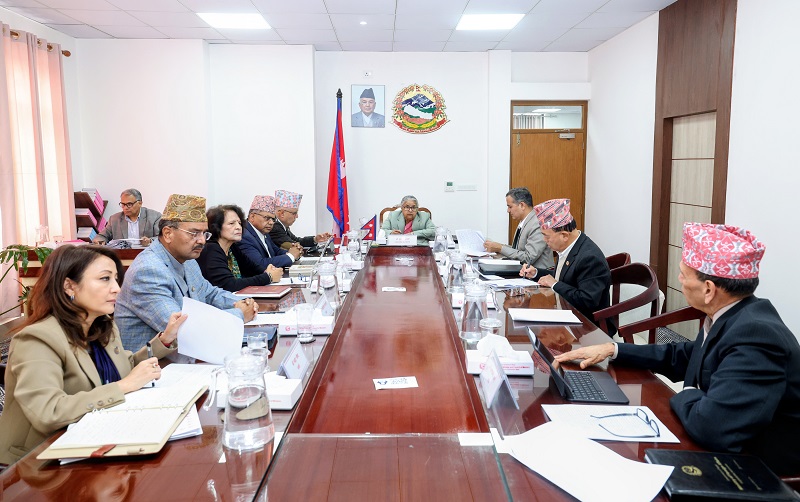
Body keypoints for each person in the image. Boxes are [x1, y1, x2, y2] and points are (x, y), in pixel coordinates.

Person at [556, 223, 800, 475]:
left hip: (756, 469)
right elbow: (684, 355)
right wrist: (613, 349)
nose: (679, 280)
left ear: (708, 289)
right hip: (723, 445)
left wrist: (687, 393)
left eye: (684, 274)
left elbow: (711, 426)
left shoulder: (757, 337)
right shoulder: (732, 314)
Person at [0, 245, 186, 466]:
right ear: (69, 286)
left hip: (93, 440)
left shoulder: (102, 326)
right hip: (37, 461)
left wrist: (164, 340)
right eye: (105, 279)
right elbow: (49, 412)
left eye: (116, 279)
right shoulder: (37, 339)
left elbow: (124, 368)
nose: (117, 289)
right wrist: (123, 386)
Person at [115, 194, 258, 352]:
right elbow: (183, 329)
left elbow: (209, 293)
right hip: (153, 363)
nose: (202, 240)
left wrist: (243, 302)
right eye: (194, 233)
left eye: (204, 233)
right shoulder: (148, 270)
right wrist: (239, 314)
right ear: (168, 233)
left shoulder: (188, 260)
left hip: (184, 355)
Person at [519, 198, 611, 328]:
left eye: (546, 236)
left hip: (587, 327)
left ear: (564, 235)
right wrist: (536, 273)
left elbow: (587, 301)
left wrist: (555, 284)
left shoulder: (590, 258)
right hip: (566, 314)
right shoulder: (569, 246)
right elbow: (565, 276)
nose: (544, 240)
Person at [197, 204, 283, 293]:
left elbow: (252, 268)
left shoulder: (232, 247)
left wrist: (269, 271)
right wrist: (268, 277)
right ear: (216, 227)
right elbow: (229, 285)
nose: (238, 227)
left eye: (239, 223)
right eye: (231, 223)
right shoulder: (211, 249)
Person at [483, 187, 554, 269]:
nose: (508, 210)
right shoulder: (525, 221)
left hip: (538, 274)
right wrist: (497, 247)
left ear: (522, 205)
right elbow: (517, 250)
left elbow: (528, 258)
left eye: (510, 207)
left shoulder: (537, 223)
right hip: (523, 271)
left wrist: (500, 248)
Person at [237, 195, 301, 271]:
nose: (271, 223)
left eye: (273, 219)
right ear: (252, 217)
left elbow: (276, 251)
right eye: (267, 218)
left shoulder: (264, 232)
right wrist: (291, 256)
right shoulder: (244, 236)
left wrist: (294, 251)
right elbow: (259, 264)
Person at [93, 188, 161, 246]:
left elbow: (162, 238)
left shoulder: (155, 217)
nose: (125, 208)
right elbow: (102, 236)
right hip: (123, 254)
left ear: (140, 203)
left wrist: (150, 241)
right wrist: (99, 241)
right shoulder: (114, 219)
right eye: (123, 204)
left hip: (147, 253)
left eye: (129, 204)